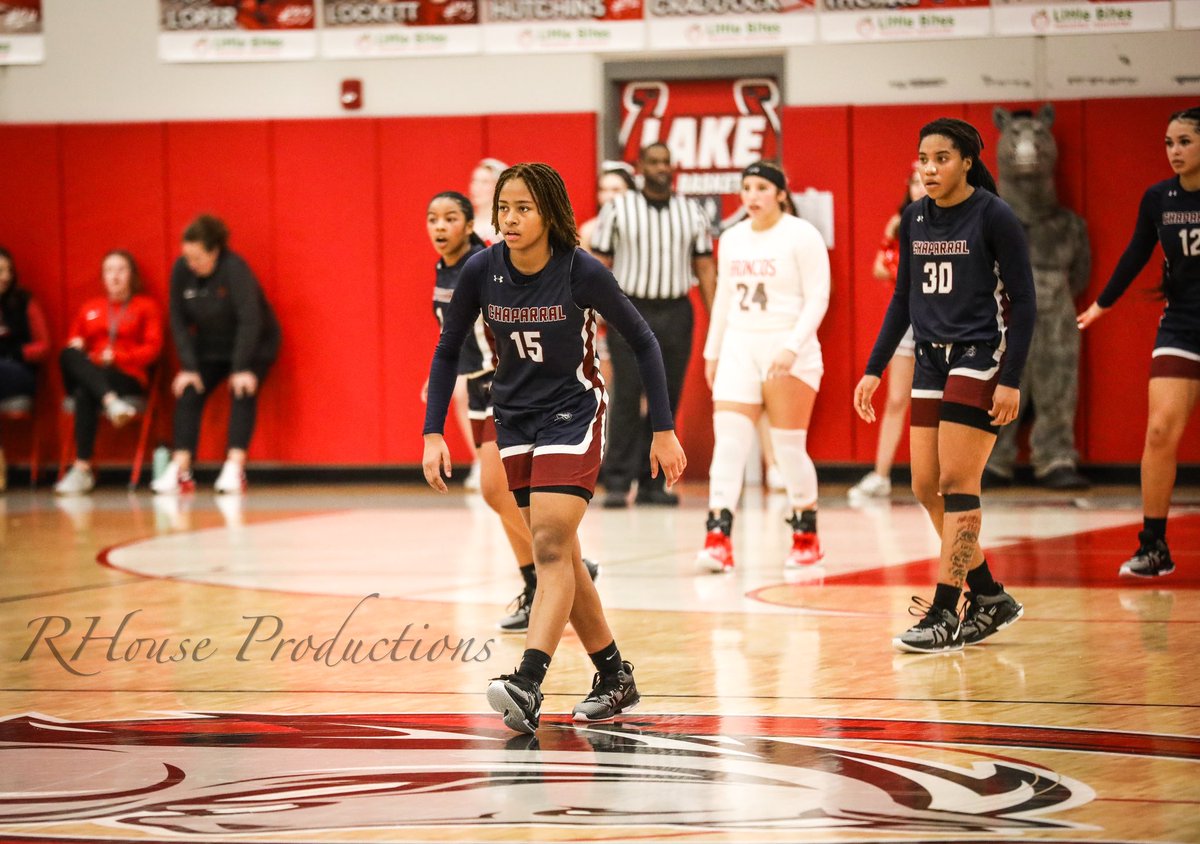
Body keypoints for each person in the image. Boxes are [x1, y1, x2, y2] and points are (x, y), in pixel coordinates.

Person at [422, 162, 686, 734]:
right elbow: (446, 353)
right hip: (512, 419)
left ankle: (528, 679)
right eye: (504, 209)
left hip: (574, 411)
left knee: (547, 542)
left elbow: (643, 340)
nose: (511, 220)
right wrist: (432, 431)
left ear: (550, 215)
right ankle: (614, 676)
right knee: (560, 551)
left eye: (524, 209)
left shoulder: (580, 271)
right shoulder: (480, 270)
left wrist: (663, 429)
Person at [854, 118, 1035, 653]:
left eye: (942, 158)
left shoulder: (994, 215)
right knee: (923, 487)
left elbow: (1024, 304)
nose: (929, 169)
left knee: (958, 482)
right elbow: (902, 298)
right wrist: (874, 366)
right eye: (923, 159)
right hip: (930, 358)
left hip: (981, 355)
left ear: (968, 162)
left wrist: (1012, 380)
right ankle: (989, 596)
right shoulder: (913, 217)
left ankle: (943, 612)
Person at [423, 190, 598, 632]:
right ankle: (539, 577)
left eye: (449, 219)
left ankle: (564, 562)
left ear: (469, 226)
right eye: (432, 219)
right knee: (497, 494)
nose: (440, 227)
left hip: (505, 384)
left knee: (495, 489)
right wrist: (442, 376)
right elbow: (452, 336)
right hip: (477, 382)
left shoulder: (486, 266)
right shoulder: (444, 270)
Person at [1077, 105, 1200, 578]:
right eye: (1169, 143)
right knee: (1158, 430)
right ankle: (1153, 545)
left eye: (1185, 141)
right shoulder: (1159, 198)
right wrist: (1103, 304)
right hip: (1182, 325)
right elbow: (1136, 252)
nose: (1175, 151)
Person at [697, 162, 830, 573]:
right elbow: (722, 299)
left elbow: (818, 297)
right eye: (746, 188)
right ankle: (718, 537)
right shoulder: (733, 239)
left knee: (788, 448)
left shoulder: (802, 235)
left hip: (788, 346)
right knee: (730, 444)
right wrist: (712, 351)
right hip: (740, 344)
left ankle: (806, 535)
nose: (751, 196)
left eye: (761, 188)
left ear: (780, 194)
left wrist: (793, 346)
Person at [590, 142, 715, 508]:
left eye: (666, 162)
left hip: (676, 311)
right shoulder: (617, 210)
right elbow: (598, 262)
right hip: (629, 309)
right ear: (641, 167)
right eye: (654, 162)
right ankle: (616, 481)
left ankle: (654, 483)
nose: (661, 168)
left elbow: (705, 267)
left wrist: (719, 319)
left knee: (667, 398)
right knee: (627, 395)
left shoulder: (691, 212)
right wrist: (595, 309)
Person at [153, 215, 281, 495]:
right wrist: (188, 366)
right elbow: (177, 319)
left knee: (242, 390)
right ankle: (181, 469)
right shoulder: (182, 271)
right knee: (188, 391)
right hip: (210, 345)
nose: (191, 264)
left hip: (253, 343)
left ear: (214, 252)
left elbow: (251, 320)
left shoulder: (235, 270)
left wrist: (241, 367)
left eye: (197, 258)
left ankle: (235, 468)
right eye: (187, 256)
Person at [54, 251, 164, 495]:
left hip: (126, 376)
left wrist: (117, 357)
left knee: (85, 392)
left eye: (121, 270)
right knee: (68, 354)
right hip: (93, 370)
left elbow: (153, 349)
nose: (114, 276)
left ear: (132, 275)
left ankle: (82, 469)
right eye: (109, 270)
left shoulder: (146, 307)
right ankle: (112, 402)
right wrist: (82, 349)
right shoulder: (89, 308)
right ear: (103, 277)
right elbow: (75, 345)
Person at [849, 163, 926, 503]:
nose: (920, 187)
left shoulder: (956, 220)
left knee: (937, 402)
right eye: (914, 182)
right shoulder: (899, 223)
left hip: (944, 319)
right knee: (896, 399)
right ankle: (881, 475)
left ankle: (937, 476)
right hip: (907, 319)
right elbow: (882, 267)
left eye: (926, 181)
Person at [0, 246, 50, 492]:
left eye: (9, 270)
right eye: (0, 271)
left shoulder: (24, 301)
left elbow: (44, 346)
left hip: (19, 372)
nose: (5, 276)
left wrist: (18, 352)